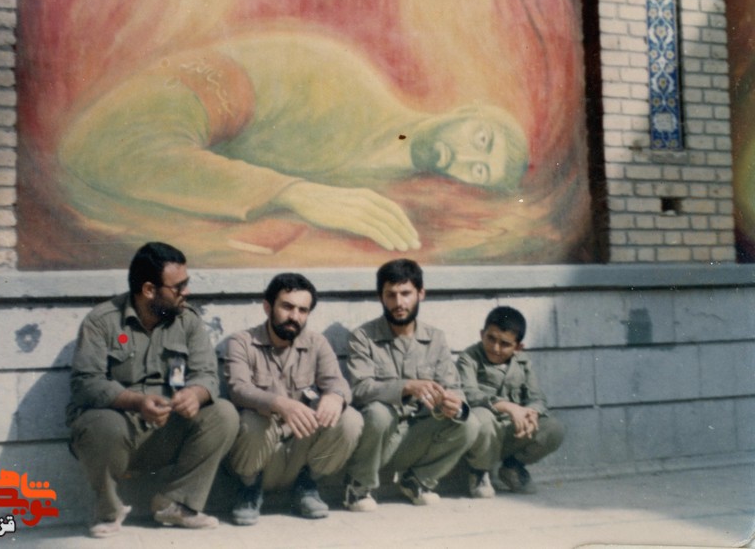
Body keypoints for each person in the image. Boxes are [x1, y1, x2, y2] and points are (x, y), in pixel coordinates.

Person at [58, 32, 528, 254]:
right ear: (467, 111)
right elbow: (102, 145)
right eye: (481, 139)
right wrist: (295, 193)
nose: (464, 157)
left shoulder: (391, 181)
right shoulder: (330, 79)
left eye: (478, 170)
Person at [66, 242, 239, 537]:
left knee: (223, 413)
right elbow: (86, 382)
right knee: (99, 424)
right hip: (120, 429)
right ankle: (108, 511)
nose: (186, 292)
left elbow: (207, 374)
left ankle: (176, 504)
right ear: (148, 290)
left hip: (168, 427)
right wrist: (137, 402)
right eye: (178, 286)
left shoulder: (188, 321)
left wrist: (194, 395)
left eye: (186, 283)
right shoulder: (102, 321)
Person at [224, 273, 363, 525]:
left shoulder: (317, 343)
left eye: (302, 310)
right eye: (287, 307)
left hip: (299, 446)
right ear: (268, 307)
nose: (294, 316)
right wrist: (279, 404)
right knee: (253, 420)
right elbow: (238, 388)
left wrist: (335, 396)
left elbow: (337, 382)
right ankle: (249, 490)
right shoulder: (242, 342)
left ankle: (307, 486)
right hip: (259, 450)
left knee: (350, 418)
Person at [343, 259, 479, 510]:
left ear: (420, 294)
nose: (399, 303)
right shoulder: (363, 337)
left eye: (406, 293)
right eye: (391, 295)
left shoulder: (435, 338)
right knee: (378, 413)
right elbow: (358, 389)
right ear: (381, 297)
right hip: (379, 440)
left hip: (417, 435)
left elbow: (453, 386)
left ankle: (417, 481)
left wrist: (454, 404)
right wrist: (406, 387)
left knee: (468, 421)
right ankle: (359, 487)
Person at [458, 306, 565, 497]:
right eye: (491, 338)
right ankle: (479, 472)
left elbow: (537, 397)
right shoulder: (469, 358)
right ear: (482, 334)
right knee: (482, 417)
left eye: (505, 344)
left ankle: (512, 467)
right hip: (482, 433)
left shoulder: (523, 363)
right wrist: (508, 407)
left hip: (509, 431)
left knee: (554, 428)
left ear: (518, 347)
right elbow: (469, 393)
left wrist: (531, 413)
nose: (495, 348)